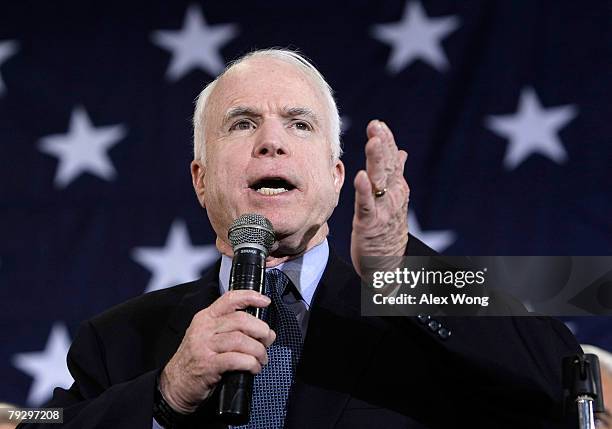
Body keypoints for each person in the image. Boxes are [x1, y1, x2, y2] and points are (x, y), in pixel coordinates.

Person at [19, 48, 581, 429]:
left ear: (336, 178)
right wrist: (165, 395)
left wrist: (397, 269)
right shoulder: (118, 339)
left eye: (299, 123)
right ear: (201, 179)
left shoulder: (418, 310)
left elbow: (565, 379)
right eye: (241, 124)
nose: (271, 142)